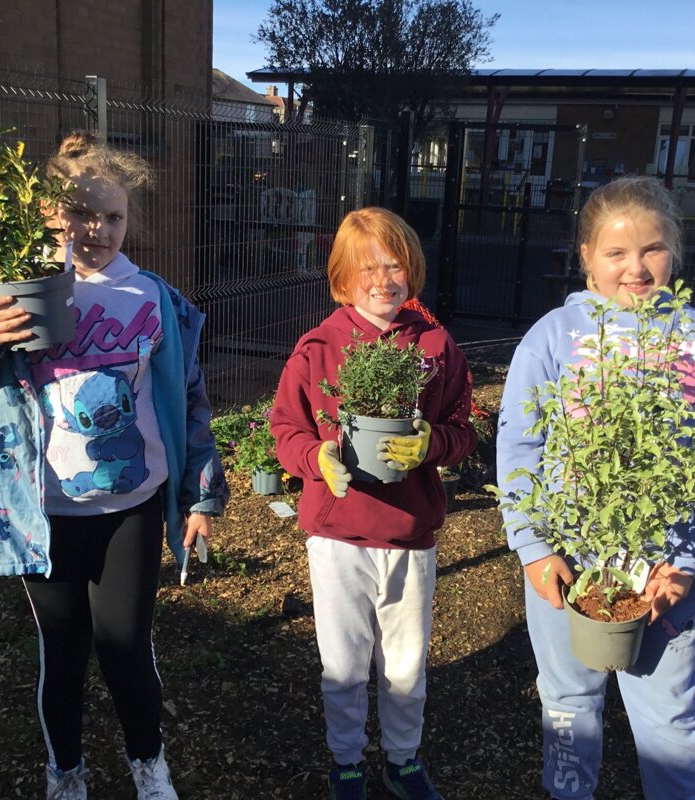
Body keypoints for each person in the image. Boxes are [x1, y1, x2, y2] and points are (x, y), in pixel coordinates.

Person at [0, 132, 229, 800]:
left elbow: (189, 404)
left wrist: (202, 494)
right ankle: (66, 772)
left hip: (131, 507)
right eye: (82, 214)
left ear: (130, 220)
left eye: (113, 216)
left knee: (127, 647)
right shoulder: (10, 291)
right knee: (62, 654)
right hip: (45, 513)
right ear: (48, 216)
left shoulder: (155, 301)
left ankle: (147, 764)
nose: (97, 229)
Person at [496, 176, 695, 800]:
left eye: (652, 250)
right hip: (567, 566)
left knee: (667, 717)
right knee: (567, 705)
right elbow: (519, 445)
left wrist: (687, 561)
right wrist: (532, 546)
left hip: (666, 576)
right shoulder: (554, 335)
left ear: (675, 252)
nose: (635, 268)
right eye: (616, 253)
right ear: (586, 256)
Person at [271, 207, 476, 800]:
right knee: (343, 660)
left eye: (396, 266)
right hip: (338, 534)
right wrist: (317, 460)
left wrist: (432, 445)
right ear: (342, 277)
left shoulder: (434, 345)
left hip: (410, 530)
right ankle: (347, 762)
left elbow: (463, 426)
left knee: (407, 660)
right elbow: (286, 428)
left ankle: (403, 759)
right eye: (369, 269)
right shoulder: (319, 347)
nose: (384, 281)